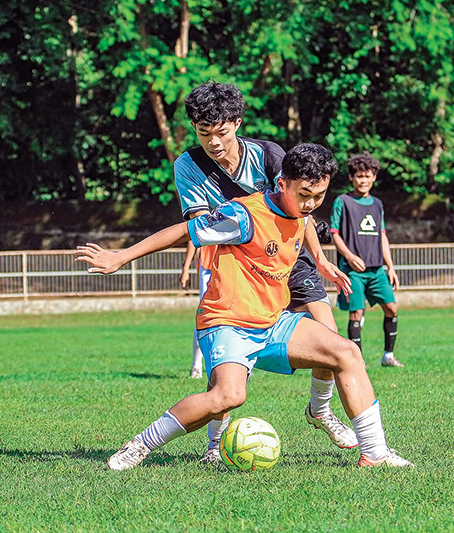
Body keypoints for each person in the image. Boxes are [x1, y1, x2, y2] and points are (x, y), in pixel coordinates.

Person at [77, 143, 413, 470]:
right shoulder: (242, 216)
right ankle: (141, 444)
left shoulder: (300, 211)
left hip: (273, 322)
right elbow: (183, 232)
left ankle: (375, 453)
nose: (311, 204)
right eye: (304, 195)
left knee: (346, 352)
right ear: (281, 183)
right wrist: (120, 256)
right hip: (227, 323)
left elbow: (306, 222)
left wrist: (322, 261)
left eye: (319, 196)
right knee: (229, 396)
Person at [173, 81, 356, 460]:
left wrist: (321, 260)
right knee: (227, 366)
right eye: (204, 133)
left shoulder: (268, 155)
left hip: (290, 255)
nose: (214, 142)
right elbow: (200, 226)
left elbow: (301, 208)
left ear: (236, 124)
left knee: (332, 339)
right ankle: (215, 444)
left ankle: (320, 410)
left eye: (221, 132)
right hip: (239, 264)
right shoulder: (188, 167)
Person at [329, 152, 404, 368]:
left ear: (374, 178)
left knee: (391, 308)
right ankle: (357, 362)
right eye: (359, 176)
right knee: (356, 313)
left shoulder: (377, 204)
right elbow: (334, 233)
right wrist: (350, 256)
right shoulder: (342, 202)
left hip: (376, 269)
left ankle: (388, 356)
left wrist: (390, 267)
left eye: (367, 176)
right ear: (351, 177)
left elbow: (382, 235)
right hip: (353, 270)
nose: (363, 180)